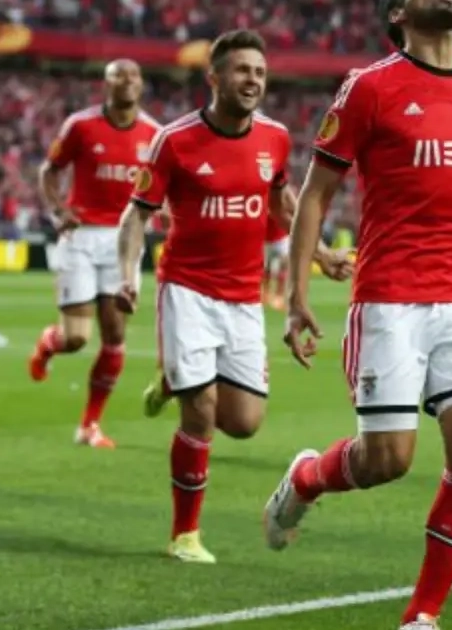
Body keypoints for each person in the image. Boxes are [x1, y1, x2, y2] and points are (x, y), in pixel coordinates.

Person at [264, 1, 452, 628]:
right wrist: (297, 294)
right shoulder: (370, 88)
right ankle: (308, 478)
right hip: (391, 296)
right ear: (397, 11)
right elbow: (314, 195)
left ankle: (422, 616)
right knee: (386, 461)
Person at [115, 29, 351, 563]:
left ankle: (174, 380)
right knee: (200, 412)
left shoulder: (275, 138)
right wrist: (127, 275)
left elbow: (283, 206)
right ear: (215, 77)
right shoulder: (174, 141)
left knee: (244, 423)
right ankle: (185, 534)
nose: (253, 80)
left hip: (244, 298)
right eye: (242, 70)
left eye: (260, 72)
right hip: (188, 291)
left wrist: (320, 254)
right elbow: (136, 215)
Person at [29, 58, 160, 448]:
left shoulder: (155, 134)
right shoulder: (81, 126)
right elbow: (49, 171)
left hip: (125, 240)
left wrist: (166, 210)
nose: (127, 81)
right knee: (76, 339)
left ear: (141, 83)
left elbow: (163, 185)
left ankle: (89, 425)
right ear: (107, 84)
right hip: (82, 236)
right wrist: (58, 210)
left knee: (115, 335)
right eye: (119, 75)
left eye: (133, 75)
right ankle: (49, 343)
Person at [262, 213, 290, 310]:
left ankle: (279, 296)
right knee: (266, 267)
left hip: (282, 237)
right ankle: (265, 293)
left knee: (284, 265)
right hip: (266, 238)